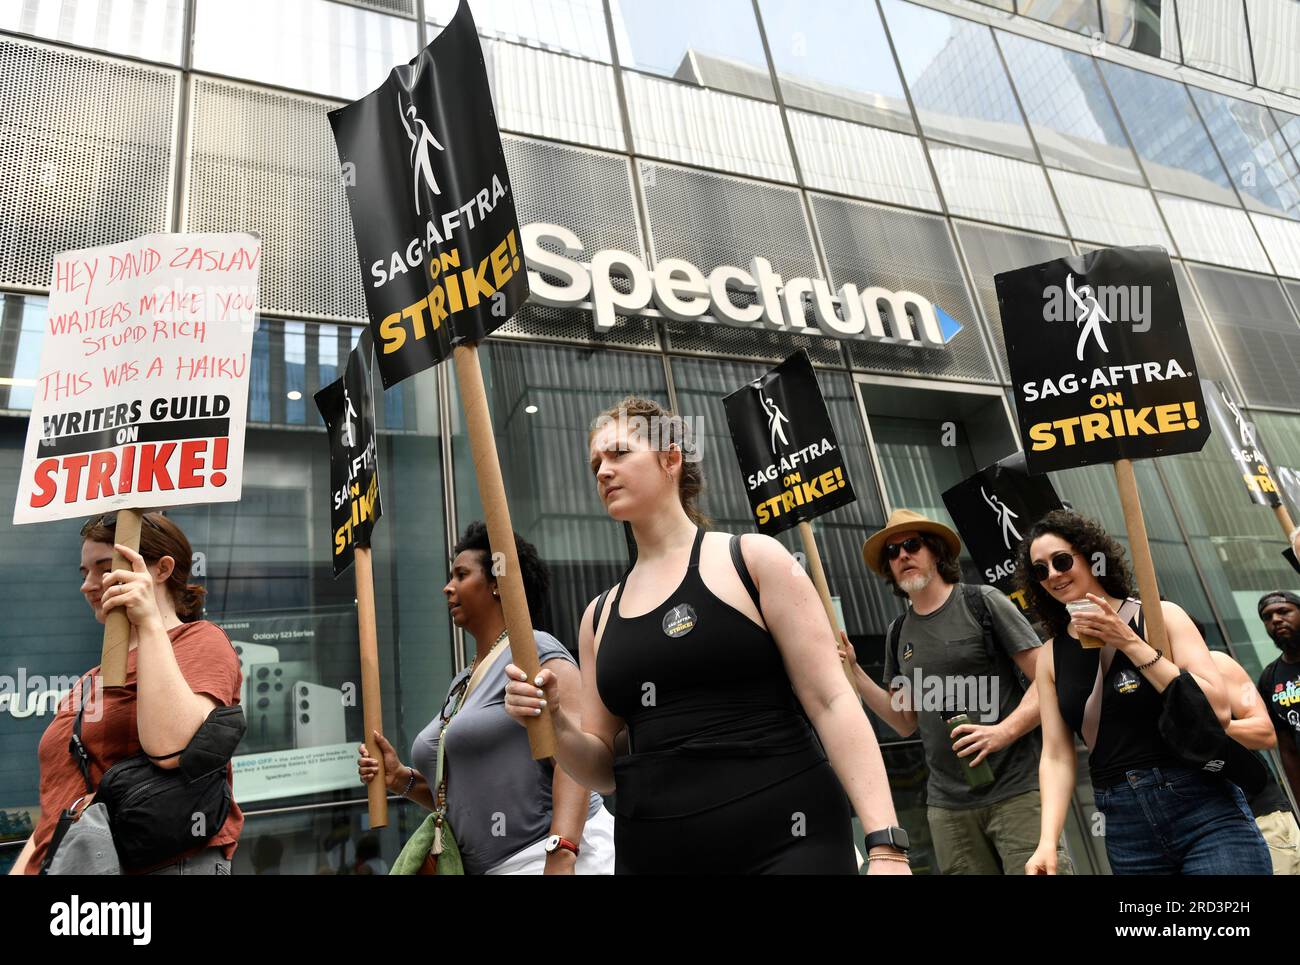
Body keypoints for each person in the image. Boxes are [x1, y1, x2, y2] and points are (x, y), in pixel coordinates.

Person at [504, 397, 909, 875]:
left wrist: (885, 845)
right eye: (596, 462)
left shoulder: (754, 560)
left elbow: (832, 702)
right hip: (657, 851)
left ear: (670, 458)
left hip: (789, 839)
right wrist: (556, 722)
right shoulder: (598, 616)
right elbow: (600, 771)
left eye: (617, 454)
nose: (602, 472)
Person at [1023, 509, 1271, 875]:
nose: (1053, 575)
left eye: (1061, 561)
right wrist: (1047, 842)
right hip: (1124, 822)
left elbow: (1216, 709)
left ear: (1092, 556)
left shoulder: (1161, 616)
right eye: (1040, 570)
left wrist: (1128, 640)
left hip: (1201, 803)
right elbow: (1057, 756)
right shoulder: (1050, 656)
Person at [358, 521, 613, 874]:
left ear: (497, 584)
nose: (448, 588)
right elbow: (462, 797)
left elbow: (574, 763)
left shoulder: (534, 649)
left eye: (461, 575)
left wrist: (562, 851)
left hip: (551, 857)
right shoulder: (462, 683)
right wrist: (401, 778)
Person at [10, 512, 244, 875]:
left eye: (105, 568)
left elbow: (172, 749)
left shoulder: (200, 641)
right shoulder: (90, 680)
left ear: (162, 569)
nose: (88, 585)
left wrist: (149, 620)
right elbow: (61, 805)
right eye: (84, 572)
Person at [842, 508, 1070, 875]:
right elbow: (903, 721)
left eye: (912, 545)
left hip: (1016, 790)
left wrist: (1001, 733)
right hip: (947, 807)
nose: (902, 555)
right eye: (893, 551)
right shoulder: (898, 633)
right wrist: (854, 671)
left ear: (935, 551)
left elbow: (1050, 682)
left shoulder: (982, 602)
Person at [1207, 647, 1298, 875]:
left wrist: (1206, 725)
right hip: (1207, 828)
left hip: (1261, 814)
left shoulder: (1216, 663)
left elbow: (1265, 733)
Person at [1257, 591, 1300, 808]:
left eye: (1284, 611)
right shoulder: (1269, 678)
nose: (1275, 619)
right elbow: (1288, 748)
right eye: (1267, 617)